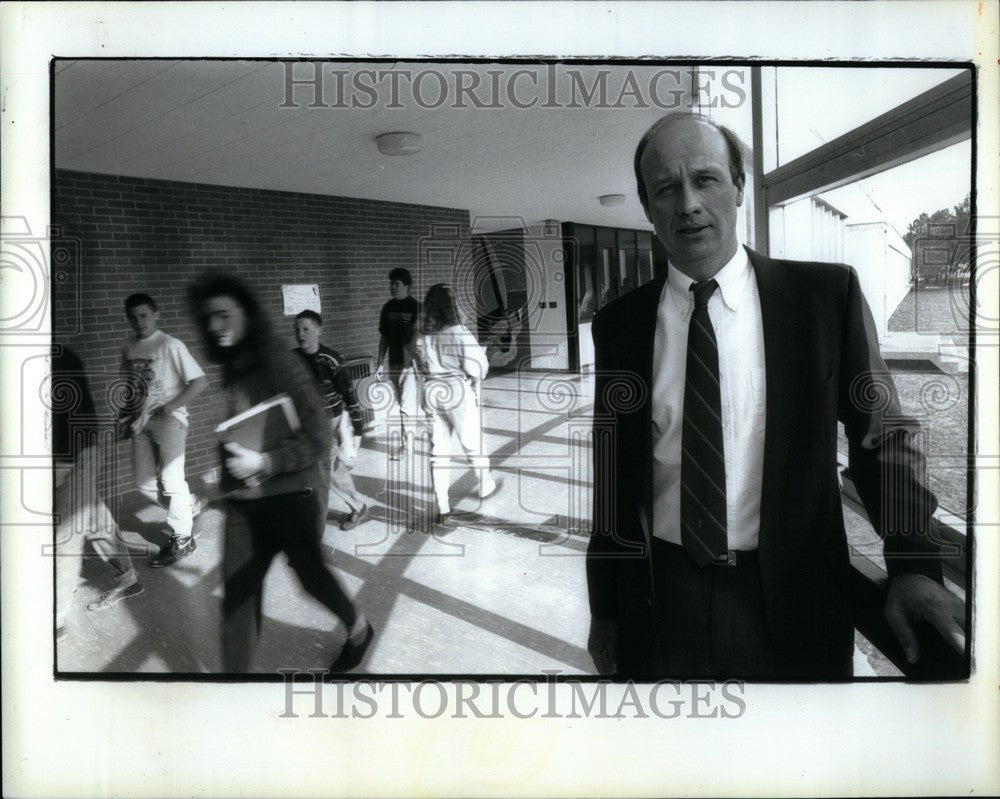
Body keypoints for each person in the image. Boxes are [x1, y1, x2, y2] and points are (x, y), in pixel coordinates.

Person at [586, 112, 964, 679]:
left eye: (706, 179)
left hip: (794, 601)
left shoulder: (823, 298)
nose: (687, 203)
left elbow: (881, 438)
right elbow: (614, 476)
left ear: (739, 187)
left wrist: (913, 565)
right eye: (666, 187)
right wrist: (606, 607)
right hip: (660, 601)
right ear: (648, 206)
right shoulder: (619, 324)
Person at [187, 274, 372, 674]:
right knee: (238, 599)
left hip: (292, 496)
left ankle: (358, 628)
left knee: (311, 578)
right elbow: (242, 434)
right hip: (245, 504)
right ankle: (235, 694)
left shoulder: (279, 360)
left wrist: (266, 463)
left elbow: (319, 435)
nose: (215, 326)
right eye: (208, 319)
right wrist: (217, 489)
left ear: (247, 315)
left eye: (224, 315)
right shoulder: (231, 366)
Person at [54, 346, 142, 639]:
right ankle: (128, 578)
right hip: (65, 454)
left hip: (76, 453)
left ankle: (56, 616)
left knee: (66, 535)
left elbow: (75, 414)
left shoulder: (61, 358)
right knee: (92, 518)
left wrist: (65, 464)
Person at [119, 293, 207, 568]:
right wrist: (124, 416)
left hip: (169, 420)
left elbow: (199, 381)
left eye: (144, 315)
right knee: (144, 483)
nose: (139, 321)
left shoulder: (170, 345)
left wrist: (170, 407)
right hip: (142, 421)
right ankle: (189, 505)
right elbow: (130, 386)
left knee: (171, 481)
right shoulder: (129, 346)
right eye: (133, 317)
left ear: (156, 314)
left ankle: (183, 538)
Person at [414, 283, 499, 523]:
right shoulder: (458, 331)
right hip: (456, 390)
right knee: (472, 442)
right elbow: (477, 368)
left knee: (438, 452)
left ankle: (443, 508)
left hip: (430, 390)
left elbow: (416, 360)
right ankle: (485, 483)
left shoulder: (421, 333)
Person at [292, 310, 369, 531]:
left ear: (319, 331)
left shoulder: (332, 359)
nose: (301, 334)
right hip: (305, 423)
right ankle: (357, 505)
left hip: (329, 422)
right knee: (330, 472)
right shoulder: (293, 359)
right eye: (297, 330)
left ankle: (312, 530)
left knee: (318, 473)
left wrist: (358, 428)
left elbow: (349, 395)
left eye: (306, 329)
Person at [375, 267, 420, 458]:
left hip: (411, 365)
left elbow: (422, 338)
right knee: (404, 405)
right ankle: (409, 439)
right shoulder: (387, 308)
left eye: (396, 283)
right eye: (391, 283)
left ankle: (406, 447)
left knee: (406, 406)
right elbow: (384, 338)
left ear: (407, 285)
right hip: (394, 364)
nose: (392, 287)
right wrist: (379, 363)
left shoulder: (417, 307)